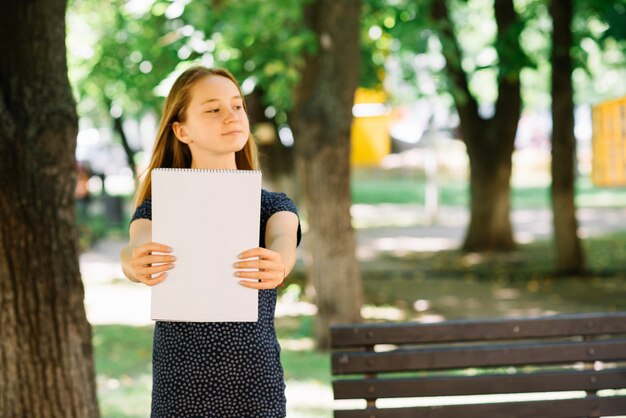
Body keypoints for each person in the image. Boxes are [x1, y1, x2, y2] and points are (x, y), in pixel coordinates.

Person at [120, 66, 301, 417]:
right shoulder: (160, 206)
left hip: (254, 385)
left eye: (237, 106)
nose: (231, 117)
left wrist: (278, 261)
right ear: (181, 130)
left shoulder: (272, 205)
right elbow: (136, 246)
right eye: (213, 109)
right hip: (179, 384)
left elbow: (283, 241)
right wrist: (133, 261)